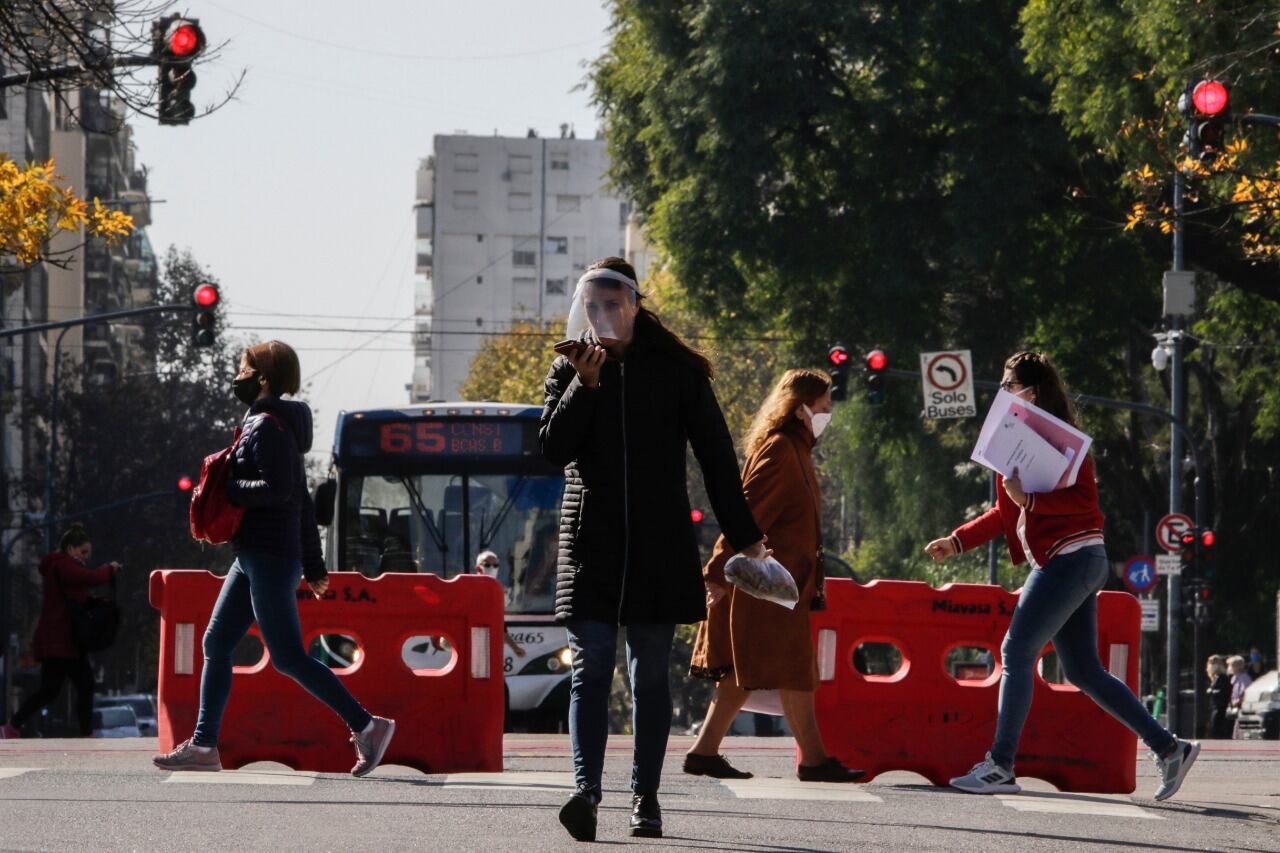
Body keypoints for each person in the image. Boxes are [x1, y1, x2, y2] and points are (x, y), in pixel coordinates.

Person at [541, 257, 767, 842]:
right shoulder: (568, 366)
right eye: (592, 305)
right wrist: (585, 386)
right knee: (590, 670)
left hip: (657, 544)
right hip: (589, 545)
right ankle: (586, 792)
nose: (601, 315)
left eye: (612, 304)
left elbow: (717, 458)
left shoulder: (676, 371)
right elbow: (552, 450)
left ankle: (646, 796)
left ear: (635, 305)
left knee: (648, 677)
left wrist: (745, 535)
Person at [926, 351, 1199, 801]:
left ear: (1032, 393)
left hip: (1069, 559)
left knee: (1016, 651)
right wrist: (957, 541)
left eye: (1009, 385)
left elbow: (1084, 503)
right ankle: (1171, 748)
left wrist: (1030, 502)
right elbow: (1004, 511)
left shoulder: (1062, 441)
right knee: (1084, 670)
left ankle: (1000, 765)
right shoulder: (1011, 438)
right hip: (1074, 562)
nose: (1002, 392)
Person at [153, 341, 395, 774]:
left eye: (244, 369)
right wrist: (314, 565)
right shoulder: (266, 424)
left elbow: (280, 491)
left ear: (262, 377)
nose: (237, 376)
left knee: (287, 657)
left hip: (269, 555)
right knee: (216, 644)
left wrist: (229, 489)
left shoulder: (267, 427)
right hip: (253, 554)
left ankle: (367, 725)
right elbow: (301, 499)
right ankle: (205, 745)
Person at [686, 369, 864, 783]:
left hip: (779, 588)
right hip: (768, 588)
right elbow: (746, 514)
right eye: (823, 406)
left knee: (747, 671)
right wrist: (715, 572)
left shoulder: (795, 448)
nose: (828, 414)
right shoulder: (783, 449)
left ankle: (704, 752)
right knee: (794, 671)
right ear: (801, 409)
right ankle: (814, 761)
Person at [0, 524, 119, 738]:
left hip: (65, 642)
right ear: (70, 548)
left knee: (64, 687)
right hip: (60, 642)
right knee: (62, 688)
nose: (85, 557)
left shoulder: (61, 566)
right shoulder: (62, 565)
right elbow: (90, 578)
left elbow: (77, 598)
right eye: (83, 552)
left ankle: (14, 726)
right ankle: (14, 726)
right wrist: (109, 569)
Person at [473, 550, 525, 659]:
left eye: (495, 565)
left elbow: (500, 625)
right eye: (487, 565)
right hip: (470, 644)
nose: (492, 568)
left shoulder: (496, 592)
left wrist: (515, 648)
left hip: (487, 647)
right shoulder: (469, 589)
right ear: (478, 568)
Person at [1206, 655, 1233, 740]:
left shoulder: (1223, 677)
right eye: (1210, 663)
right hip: (1215, 706)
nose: (1212, 666)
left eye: (1214, 663)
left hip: (1220, 707)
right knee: (1213, 727)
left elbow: (1224, 691)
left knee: (1216, 727)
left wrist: (1212, 691)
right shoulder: (1215, 677)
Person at [1228, 655, 1254, 738]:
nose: (1229, 668)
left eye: (1231, 665)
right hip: (1237, 708)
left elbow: (1245, 692)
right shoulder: (1236, 678)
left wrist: (1237, 702)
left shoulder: (1244, 678)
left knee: (1240, 730)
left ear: (1237, 666)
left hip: (1242, 708)